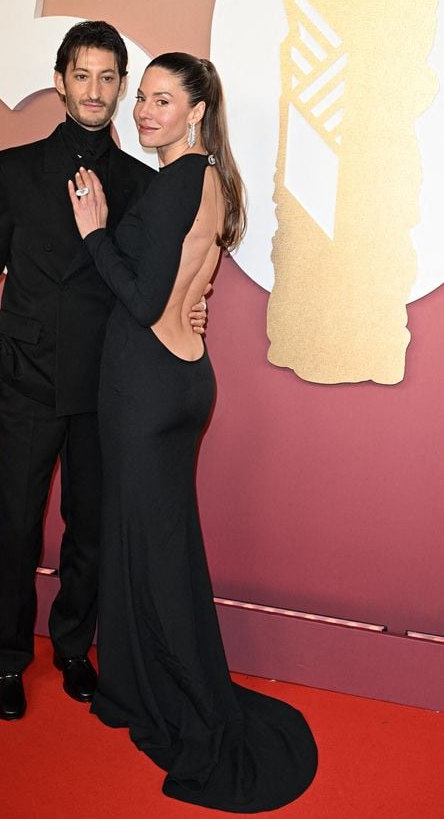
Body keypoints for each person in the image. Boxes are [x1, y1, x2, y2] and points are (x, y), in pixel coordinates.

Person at [68, 53, 318, 812]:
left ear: (197, 110)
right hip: (183, 381)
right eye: (139, 98)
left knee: (151, 553)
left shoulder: (177, 182)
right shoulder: (212, 180)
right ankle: (134, 683)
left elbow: (143, 298)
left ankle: (181, 700)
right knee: (157, 544)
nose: (143, 111)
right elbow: (184, 283)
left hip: (144, 387)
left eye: (162, 100)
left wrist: (94, 229)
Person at [0, 22, 208, 721]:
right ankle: (8, 656)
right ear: (61, 79)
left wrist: (189, 306)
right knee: (16, 525)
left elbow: (152, 278)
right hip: (27, 380)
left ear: (121, 85)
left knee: (90, 529)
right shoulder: (10, 169)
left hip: (107, 388)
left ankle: (73, 646)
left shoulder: (139, 182)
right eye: (83, 75)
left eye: (109, 78)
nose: (95, 91)